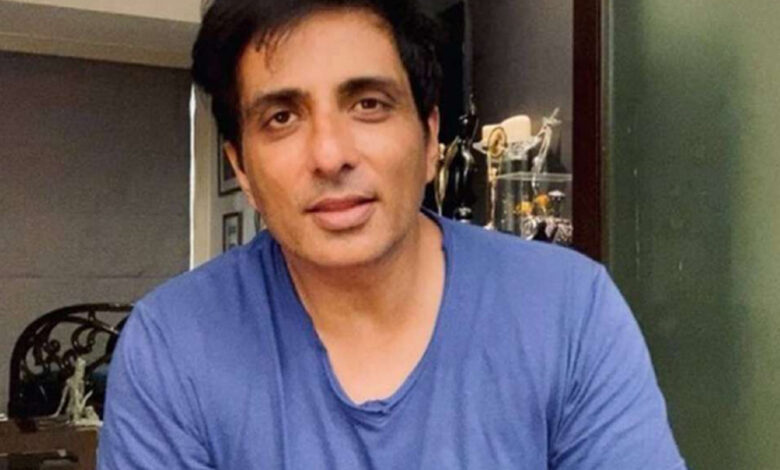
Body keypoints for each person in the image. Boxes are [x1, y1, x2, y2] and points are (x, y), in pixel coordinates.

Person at [97, 0, 686, 468]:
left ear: (430, 139)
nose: (330, 154)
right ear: (242, 169)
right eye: (282, 117)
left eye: (369, 104)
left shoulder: (567, 310)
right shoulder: (173, 346)